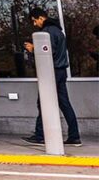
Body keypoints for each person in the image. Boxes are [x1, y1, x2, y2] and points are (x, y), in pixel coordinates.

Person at [22, 8, 81, 147]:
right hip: (61, 71)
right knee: (64, 104)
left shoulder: (47, 32)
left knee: (43, 102)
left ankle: (40, 135)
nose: (35, 24)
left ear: (41, 18)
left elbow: (47, 52)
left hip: (51, 72)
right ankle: (74, 135)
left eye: (35, 21)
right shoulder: (59, 31)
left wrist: (32, 48)